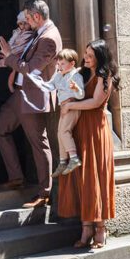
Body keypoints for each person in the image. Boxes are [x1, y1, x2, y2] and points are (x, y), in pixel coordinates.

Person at [0, 0, 62, 208]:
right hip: (20, 93)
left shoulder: (49, 38)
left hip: (33, 97)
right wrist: (10, 63)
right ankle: (16, 177)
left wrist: (9, 57)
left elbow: (32, 69)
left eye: (28, 18)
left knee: (38, 143)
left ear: (37, 16)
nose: (26, 22)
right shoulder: (40, 32)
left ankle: (44, 193)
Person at [58, 40, 120, 251]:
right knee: (81, 176)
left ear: (100, 57)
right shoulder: (81, 74)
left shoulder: (105, 75)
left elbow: (95, 102)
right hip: (79, 128)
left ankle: (100, 228)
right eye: (85, 54)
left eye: (90, 55)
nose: (86, 58)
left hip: (95, 130)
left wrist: (71, 105)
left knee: (95, 176)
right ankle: (85, 228)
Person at [50, 49, 86, 177]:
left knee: (65, 132)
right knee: (60, 133)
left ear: (72, 63)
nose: (59, 67)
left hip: (72, 107)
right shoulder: (60, 76)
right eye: (58, 64)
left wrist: (76, 88)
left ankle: (74, 158)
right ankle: (62, 161)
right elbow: (50, 86)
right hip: (63, 107)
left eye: (62, 64)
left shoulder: (76, 76)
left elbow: (81, 96)